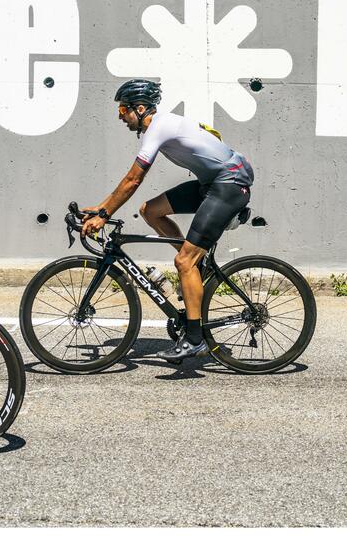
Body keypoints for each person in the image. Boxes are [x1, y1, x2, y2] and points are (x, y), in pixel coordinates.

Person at [82, 79, 253, 362]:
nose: (120, 116)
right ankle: (196, 267)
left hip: (229, 184)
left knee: (183, 261)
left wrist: (104, 215)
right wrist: (100, 208)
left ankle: (195, 339)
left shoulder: (158, 127)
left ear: (140, 108)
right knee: (150, 210)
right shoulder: (160, 125)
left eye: (123, 109)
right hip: (211, 183)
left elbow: (133, 178)